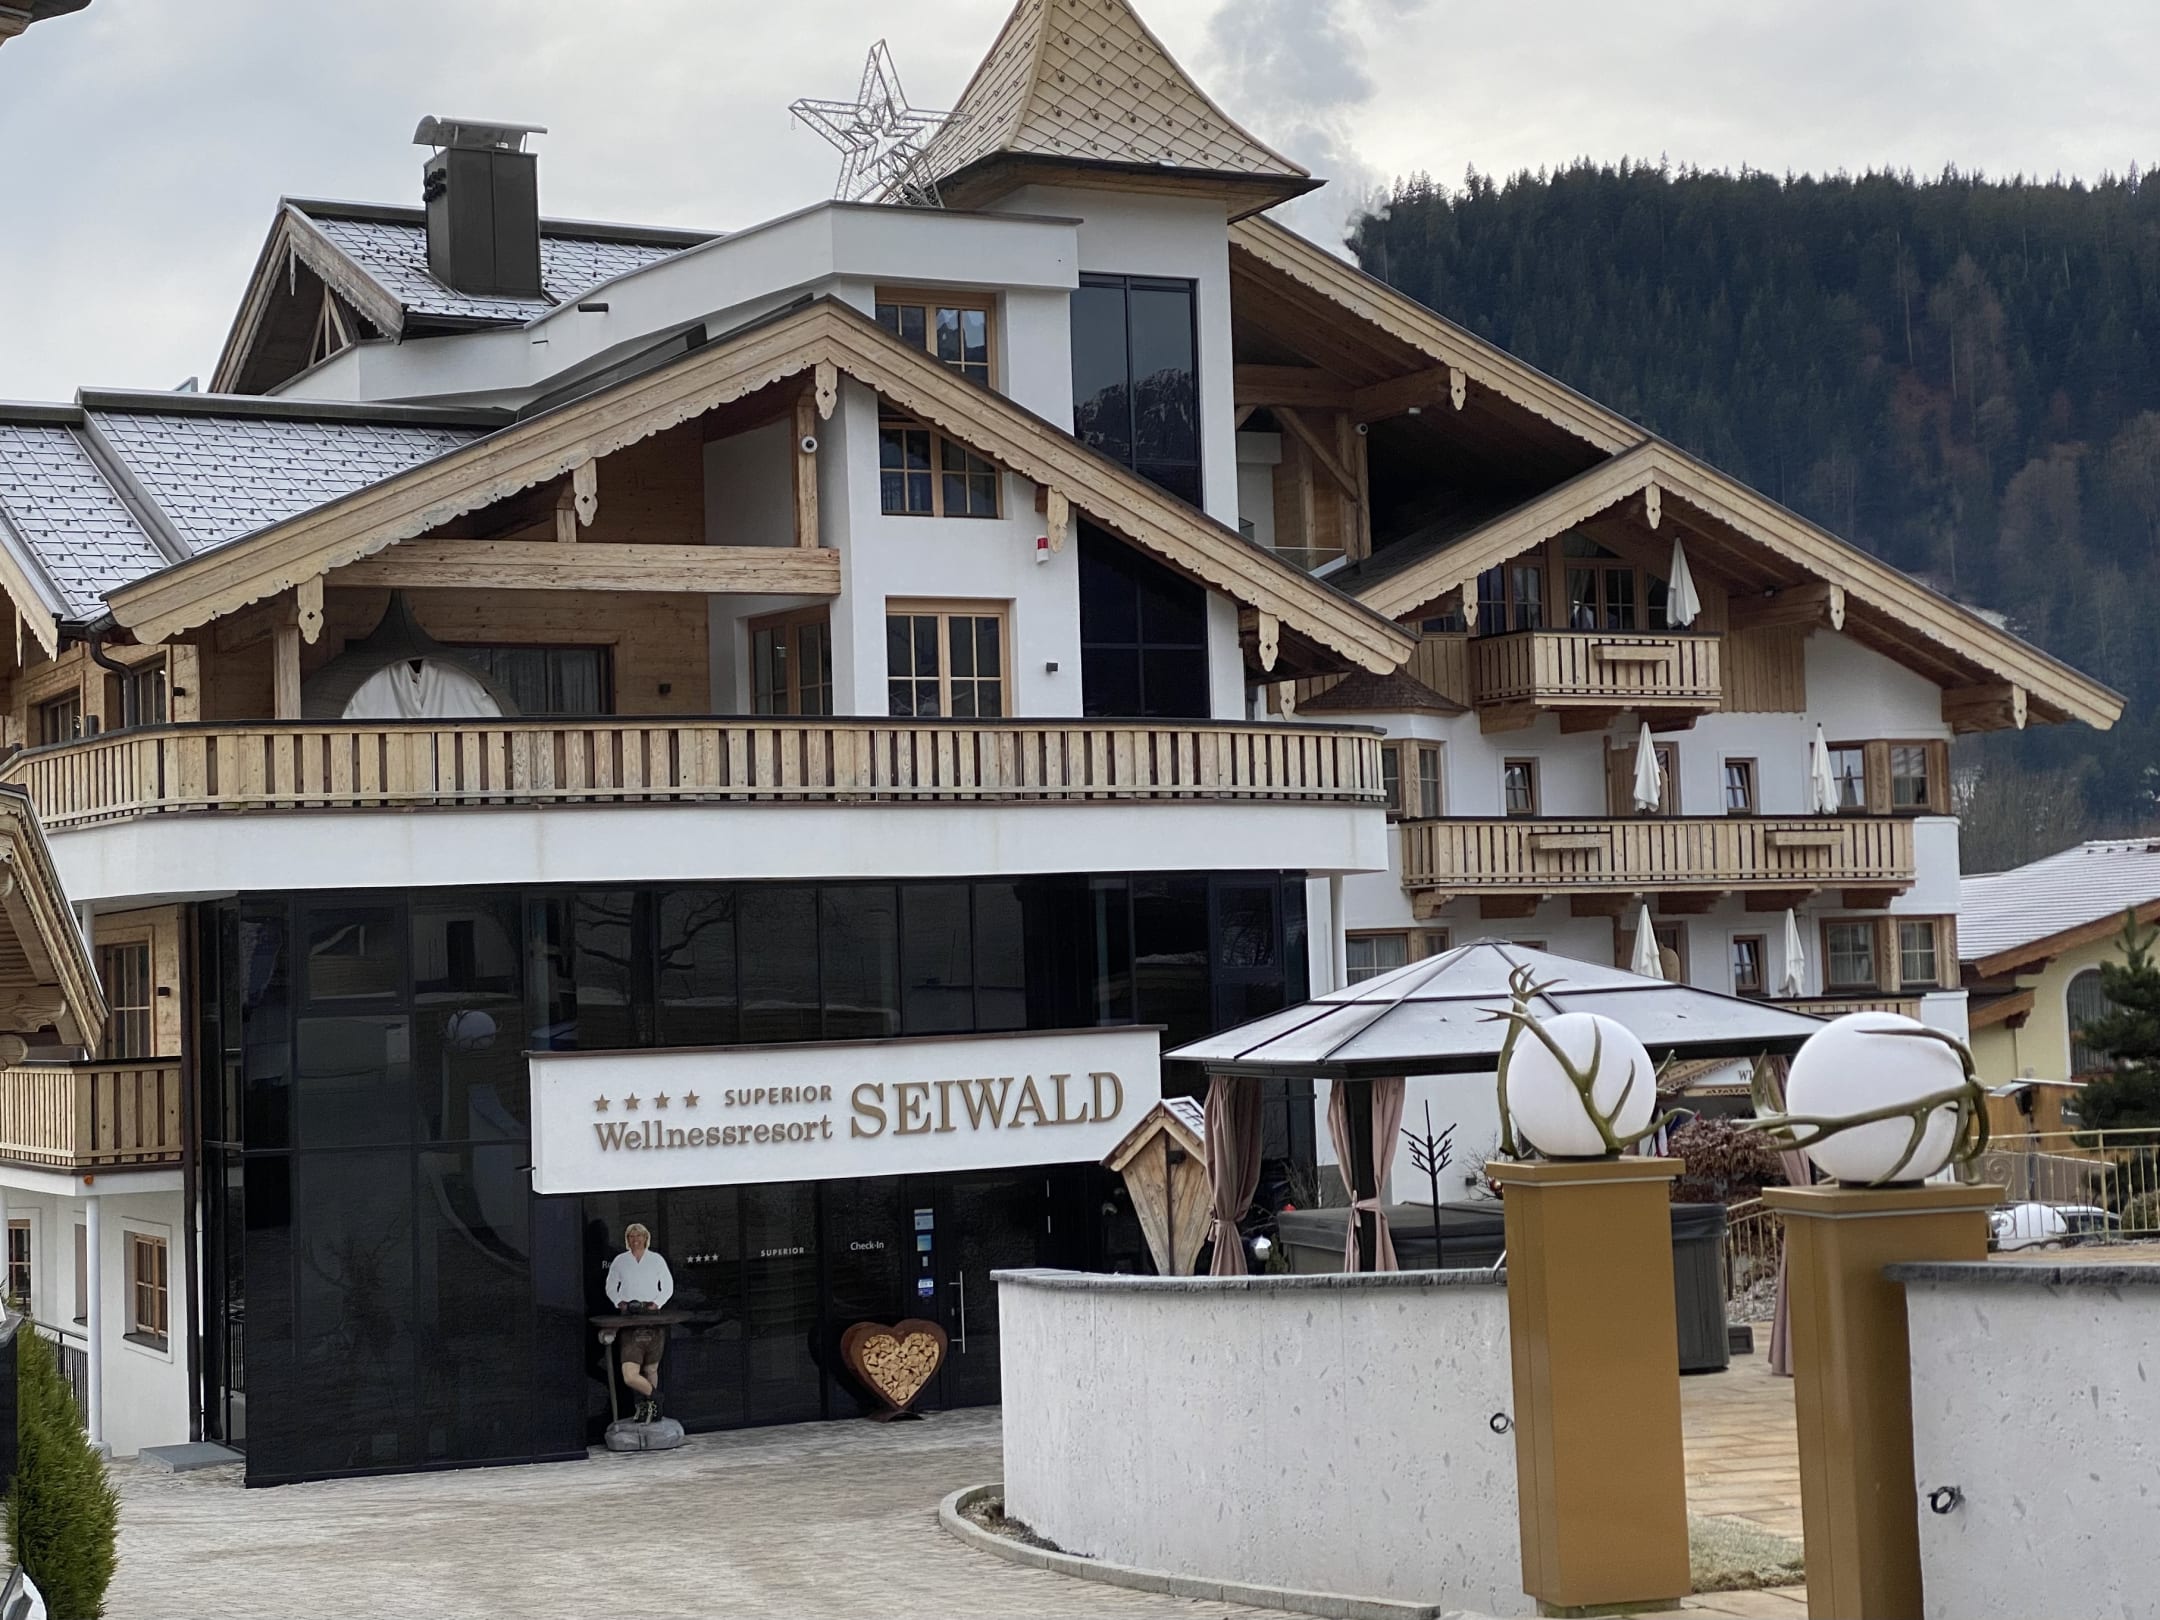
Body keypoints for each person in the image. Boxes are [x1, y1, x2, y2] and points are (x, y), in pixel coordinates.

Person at [605, 1223, 674, 1423]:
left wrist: (657, 1303)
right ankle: (655, 1397)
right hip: (629, 1317)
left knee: (651, 1369)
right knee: (630, 1374)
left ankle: (651, 1408)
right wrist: (619, 1302)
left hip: (651, 1315)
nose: (635, 1240)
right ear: (627, 1240)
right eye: (631, 1236)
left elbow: (668, 1286)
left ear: (645, 1238)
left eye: (639, 1236)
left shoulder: (656, 1259)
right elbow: (611, 1286)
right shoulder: (620, 1260)